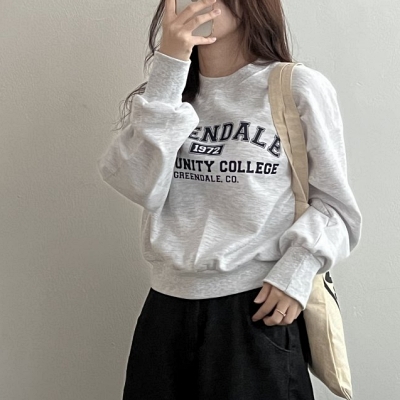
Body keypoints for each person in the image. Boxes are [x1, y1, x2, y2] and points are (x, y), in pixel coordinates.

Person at [96, 0, 363, 398]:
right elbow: (138, 186)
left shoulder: (296, 87)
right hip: (165, 314)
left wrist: (297, 271)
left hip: (256, 313)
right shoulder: (168, 96)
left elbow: (336, 207)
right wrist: (169, 67)